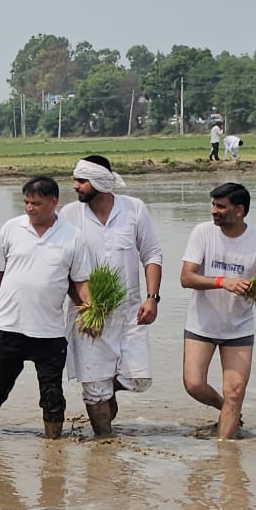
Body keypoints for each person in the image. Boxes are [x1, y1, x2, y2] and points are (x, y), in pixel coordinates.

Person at [0, 176, 91, 439]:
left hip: (49, 332)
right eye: (26, 202)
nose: (29, 208)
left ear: (54, 202)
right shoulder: (11, 228)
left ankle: (53, 447)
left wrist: (92, 308)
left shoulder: (73, 237)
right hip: (8, 326)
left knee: (52, 396)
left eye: (36, 203)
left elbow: (80, 282)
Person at [60, 156, 163, 437]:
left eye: (82, 181)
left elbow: (152, 254)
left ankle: (108, 388)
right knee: (94, 389)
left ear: (101, 183)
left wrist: (152, 297)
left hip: (131, 310)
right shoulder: (70, 215)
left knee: (139, 378)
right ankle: (104, 444)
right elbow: (64, 265)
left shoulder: (134, 209)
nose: (76, 186)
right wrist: (84, 302)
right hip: (88, 312)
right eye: (76, 180)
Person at [180, 182, 256, 440]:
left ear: (239, 210)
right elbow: (186, 277)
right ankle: (225, 410)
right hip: (201, 325)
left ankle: (225, 455)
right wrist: (222, 281)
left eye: (220, 206)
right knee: (194, 385)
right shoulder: (202, 233)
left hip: (239, 327)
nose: (213, 211)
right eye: (213, 205)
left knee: (236, 391)